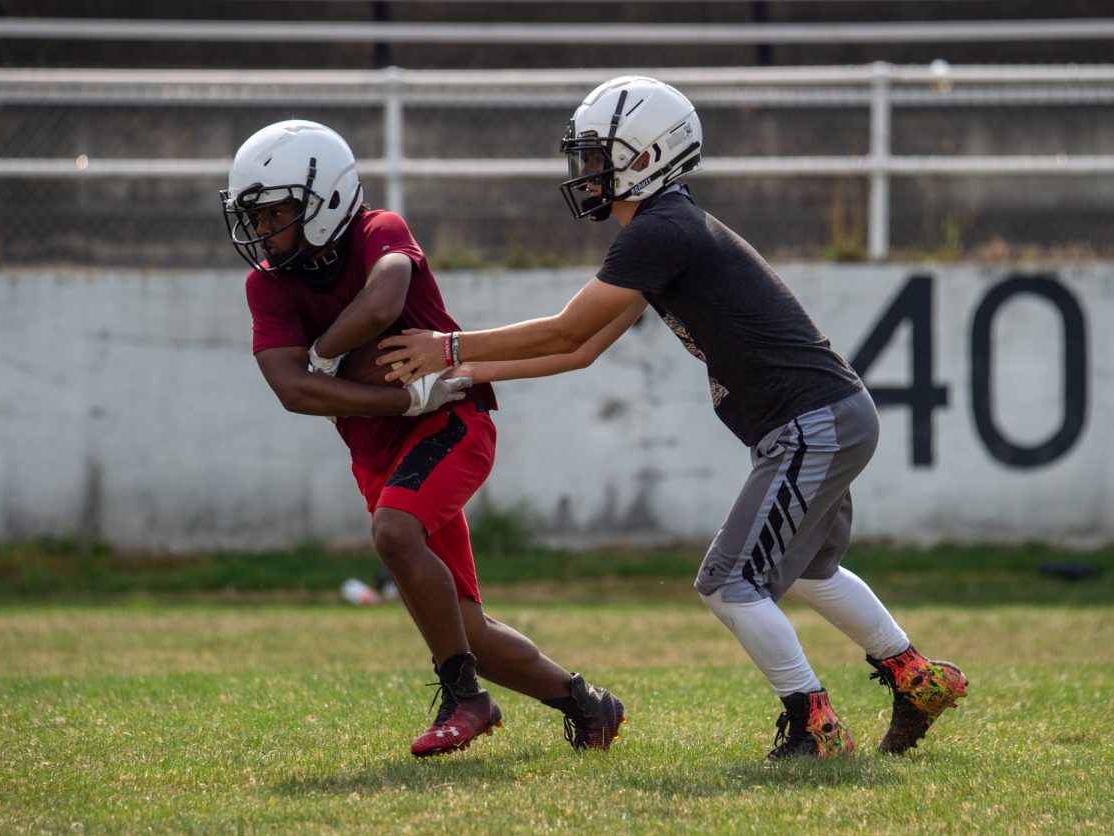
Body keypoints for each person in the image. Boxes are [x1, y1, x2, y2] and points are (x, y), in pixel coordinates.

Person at [376, 77, 968, 760]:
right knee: (807, 569)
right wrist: (467, 374)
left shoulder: (661, 229)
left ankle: (815, 725)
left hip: (813, 421)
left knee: (729, 582)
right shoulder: (669, 227)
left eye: (597, 156)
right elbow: (582, 349)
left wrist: (450, 347)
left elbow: (569, 327)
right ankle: (917, 678)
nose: (586, 171)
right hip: (822, 418)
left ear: (647, 156)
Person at [220, 119, 625, 758]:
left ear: (325, 199)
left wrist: (323, 357)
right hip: (381, 446)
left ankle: (465, 699)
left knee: (393, 534)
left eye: (277, 212)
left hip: (453, 422)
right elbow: (292, 390)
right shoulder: (266, 282)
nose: (265, 231)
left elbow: (383, 304)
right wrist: (398, 398)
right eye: (257, 215)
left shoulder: (378, 230)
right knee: (464, 628)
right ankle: (589, 705)